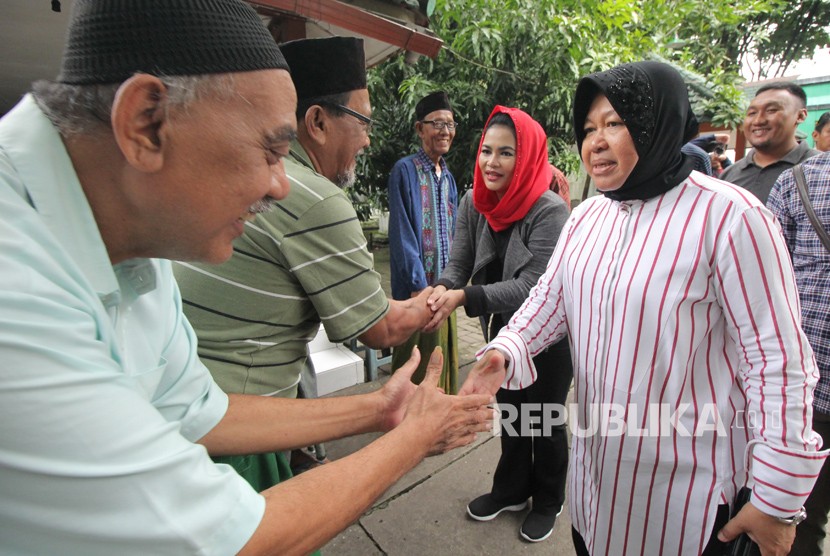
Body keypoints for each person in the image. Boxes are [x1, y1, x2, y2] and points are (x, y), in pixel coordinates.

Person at [0, 2, 492, 554]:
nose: (282, 185)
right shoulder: (17, 293)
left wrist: (380, 409)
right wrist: (416, 434)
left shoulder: (136, 236)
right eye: (270, 150)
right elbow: (233, 538)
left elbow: (196, 409)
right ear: (146, 123)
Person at [460, 61, 827, 556]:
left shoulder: (731, 217)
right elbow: (550, 299)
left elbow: (778, 362)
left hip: (687, 501)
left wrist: (777, 499)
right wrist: (506, 349)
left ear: (659, 125)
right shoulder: (586, 217)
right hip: (598, 486)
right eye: (589, 128)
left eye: (615, 123)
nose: (596, 142)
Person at [173, 35, 436, 489]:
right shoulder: (314, 198)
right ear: (316, 121)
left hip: (194, 408)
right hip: (234, 434)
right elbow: (379, 330)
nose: (369, 139)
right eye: (363, 122)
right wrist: (432, 303)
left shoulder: (254, 176)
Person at [424, 106, 572, 542]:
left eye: (506, 153)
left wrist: (465, 296)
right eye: (487, 150)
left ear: (526, 158)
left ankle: (548, 499)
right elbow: (460, 261)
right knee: (510, 413)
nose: (491, 162)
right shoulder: (475, 201)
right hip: (501, 334)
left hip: (548, 336)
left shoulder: (549, 210)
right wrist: (442, 290)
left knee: (542, 420)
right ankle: (510, 490)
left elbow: (534, 286)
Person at [768, 150, 830, 555]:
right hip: (810, 380)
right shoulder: (798, 182)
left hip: (808, 375)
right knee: (799, 513)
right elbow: (771, 284)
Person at [388, 91, 459, 392]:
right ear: (420, 129)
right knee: (414, 360)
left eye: (451, 125)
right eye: (437, 124)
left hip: (444, 289)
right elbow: (402, 233)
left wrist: (452, 283)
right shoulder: (405, 170)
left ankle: (438, 417)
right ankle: (407, 424)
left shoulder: (450, 177)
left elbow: (456, 232)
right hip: (416, 291)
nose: (445, 132)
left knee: (441, 357)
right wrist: (419, 287)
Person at [720, 82, 818, 203]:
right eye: (752, 113)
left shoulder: (822, 169)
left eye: (771, 110)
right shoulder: (729, 175)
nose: (758, 120)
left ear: (800, 116)